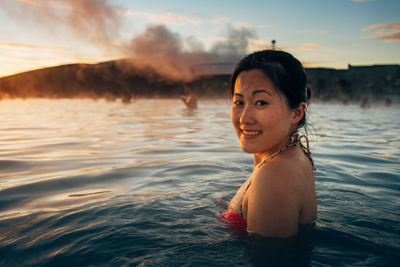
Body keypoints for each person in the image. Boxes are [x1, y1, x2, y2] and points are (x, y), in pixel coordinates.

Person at [220, 50, 317, 238]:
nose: (244, 119)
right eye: (239, 102)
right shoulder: (289, 155)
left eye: (261, 102)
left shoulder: (274, 175)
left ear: (297, 113)